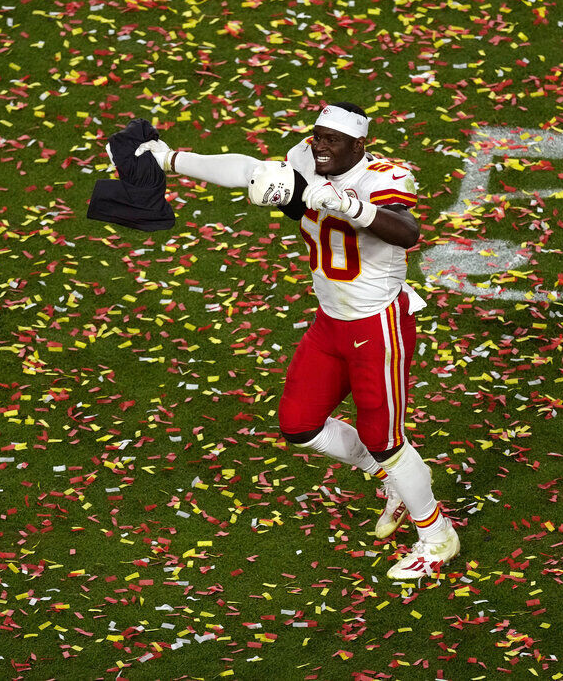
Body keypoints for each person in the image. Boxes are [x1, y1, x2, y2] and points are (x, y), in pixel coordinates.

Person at [135, 102, 459, 579]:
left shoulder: (383, 177)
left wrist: (349, 205)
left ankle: (437, 536)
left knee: (385, 440)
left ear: (359, 144)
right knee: (298, 424)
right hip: (331, 322)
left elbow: (406, 233)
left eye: (332, 139)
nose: (319, 145)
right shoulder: (305, 158)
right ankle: (391, 482)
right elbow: (247, 168)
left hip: (377, 325)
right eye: (317, 135)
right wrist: (169, 159)